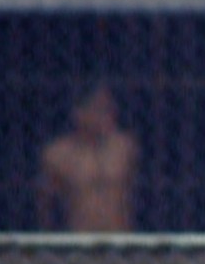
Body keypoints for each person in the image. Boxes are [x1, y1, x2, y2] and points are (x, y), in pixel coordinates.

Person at [36, 82, 139, 233]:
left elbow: (133, 197)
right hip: (80, 242)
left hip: (119, 240)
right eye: (99, 109)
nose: (106, 117)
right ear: (79, 113)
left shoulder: (124, 148)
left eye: (108, 110)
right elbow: (45, 208)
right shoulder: (58, 155)